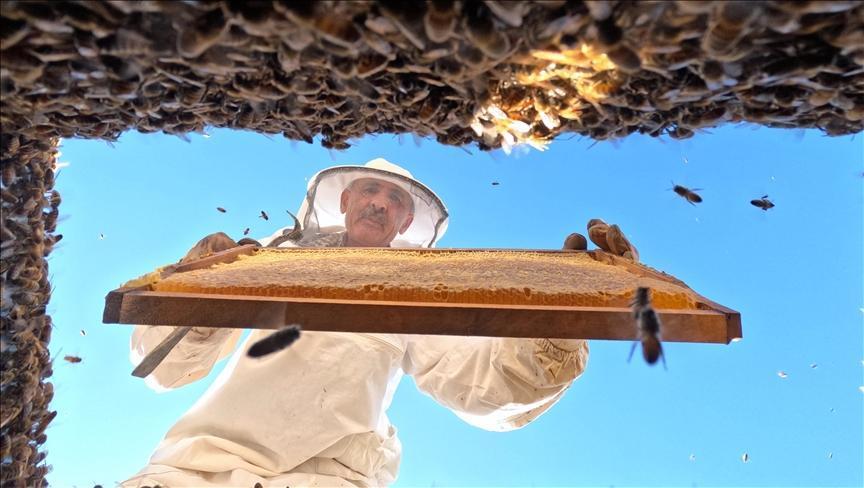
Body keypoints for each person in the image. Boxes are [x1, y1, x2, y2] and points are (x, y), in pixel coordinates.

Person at [121, 158, 634, 488]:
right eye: (370, 191)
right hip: (194, 470)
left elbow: (483, 389)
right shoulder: (274, 255)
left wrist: (562, 319)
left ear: (406, 224)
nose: (380, 204)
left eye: (396, 202)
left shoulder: (414, 291)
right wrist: (195, 294)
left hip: (326, 479)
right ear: (345, 201)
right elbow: (163, 370)